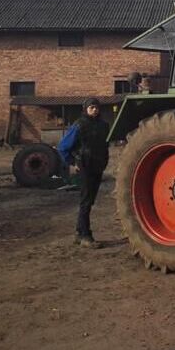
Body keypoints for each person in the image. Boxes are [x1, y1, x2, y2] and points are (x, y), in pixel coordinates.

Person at [58, 97, 110, 247]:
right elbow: (63, 147)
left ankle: (79, 233)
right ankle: (85, 236)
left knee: (90, 200)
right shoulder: (79, 125)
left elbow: (105, 146)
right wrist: (72, 163)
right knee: (86, 200)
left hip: (98, 166)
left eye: (96, 107)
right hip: (84, 165)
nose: (94, 110)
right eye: (91, 107)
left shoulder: (103, 125)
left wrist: (105, 161)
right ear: (86, 109)